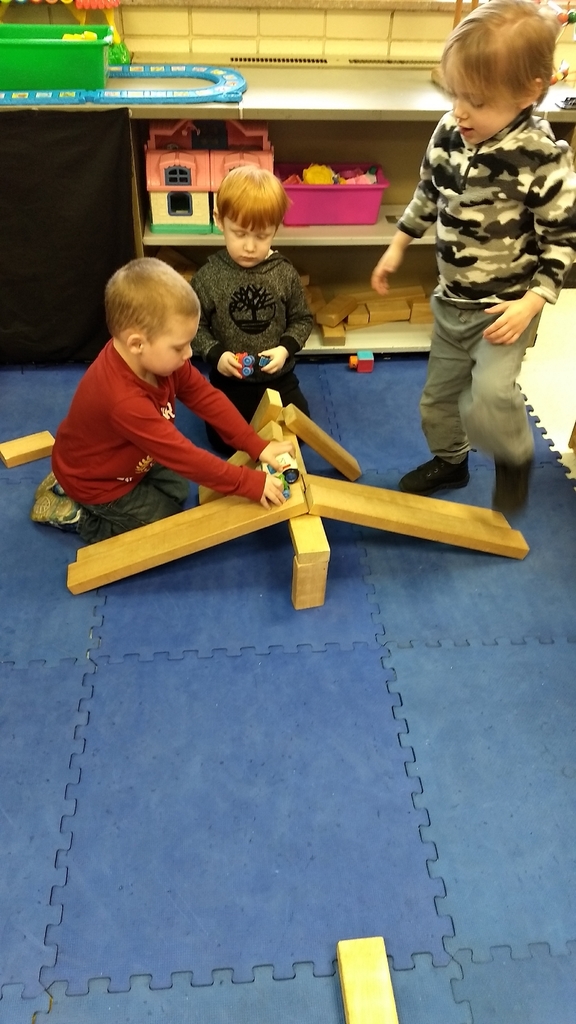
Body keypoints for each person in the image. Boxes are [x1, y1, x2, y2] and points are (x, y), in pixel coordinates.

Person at [371, 0, 576, 513]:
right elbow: (427, 192)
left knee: (488, 394)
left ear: (530, 91)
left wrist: (532, 303)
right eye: (455, 94)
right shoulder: (450, 130)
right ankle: (451, 460)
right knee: (437, 401)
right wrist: (398, 245)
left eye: (477, 101)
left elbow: (562, 240)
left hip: (506, 309)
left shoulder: (542, 158)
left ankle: (514, 458)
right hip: (451, 301)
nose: (460, 111)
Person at [30, 258, 295, 543]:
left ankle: (69, 481)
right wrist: (249, 483)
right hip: (98, 484)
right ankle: (74, 513)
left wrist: (257, 446)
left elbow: (206, 398)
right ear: (137, 344)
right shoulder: (123, 400)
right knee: (167, 526)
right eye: (180, 346)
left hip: (128, 459)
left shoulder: (155, 359)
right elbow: (183, 455)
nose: (189, 354)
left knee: (179, 490)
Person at [192, 165, 313, 455]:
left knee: (303, 430)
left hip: (278, 378)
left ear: (276, 228)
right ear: (219, 221)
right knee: (223, 441)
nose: (249, 246)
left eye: (261, 236)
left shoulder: (283, 273)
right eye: (240, 233)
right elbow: (194, 326)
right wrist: (217, 355)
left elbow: (302, 319)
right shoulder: (208, 276)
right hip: (230, 380)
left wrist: (284, 350)